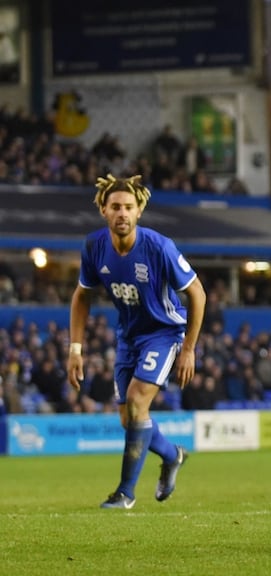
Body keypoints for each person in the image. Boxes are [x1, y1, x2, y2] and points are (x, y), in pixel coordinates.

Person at [67, 174, 206, 509]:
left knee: (136, 399)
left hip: (164, 333)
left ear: (139, 210)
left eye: (129, 207)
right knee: (129, 419)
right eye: (115, 206)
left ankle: (125, 493)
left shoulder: (159, 247)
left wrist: (189, 349)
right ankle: (172, 455)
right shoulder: (94, 247)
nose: (122, 213)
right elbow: (82, 296)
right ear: (103, 210)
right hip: (128, 337)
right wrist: (75, 349)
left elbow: (197, 293)